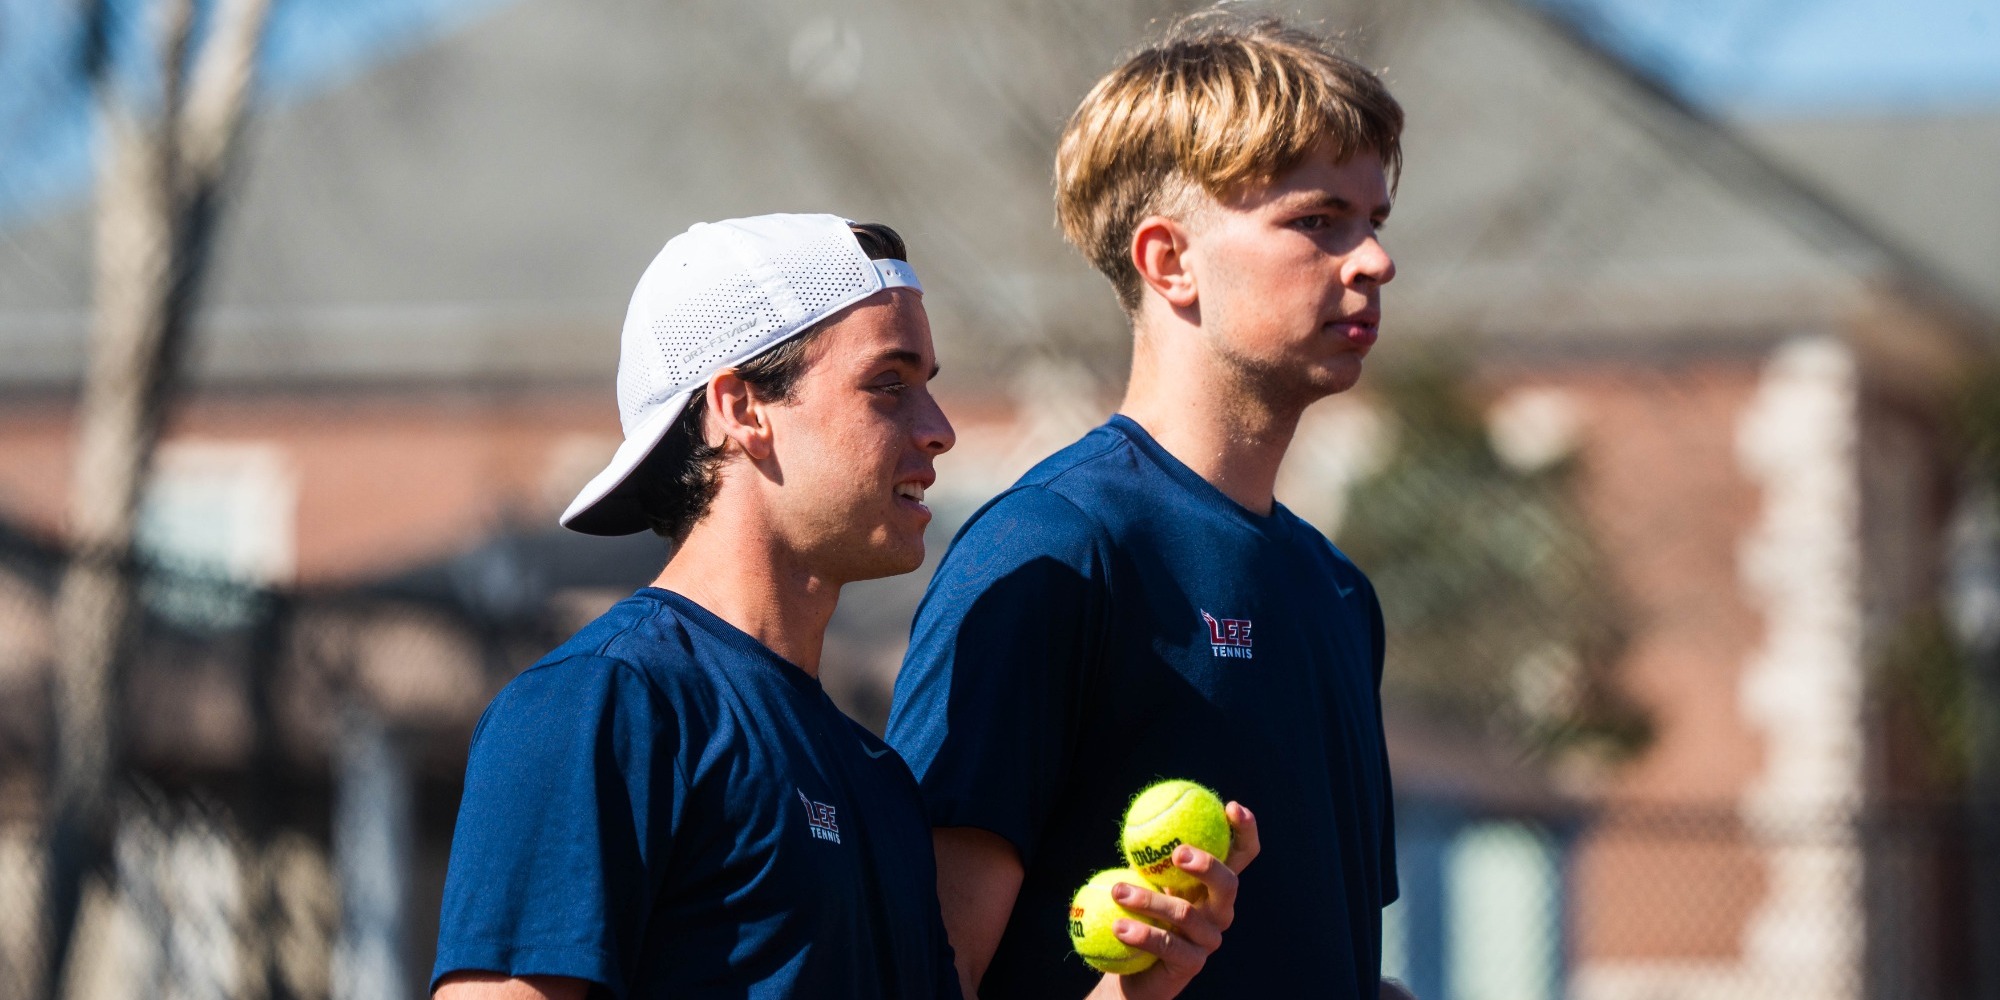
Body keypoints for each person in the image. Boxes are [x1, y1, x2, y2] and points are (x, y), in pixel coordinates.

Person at [430, 213, 1256, 1000]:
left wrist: (1137, 986)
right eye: (888, 385)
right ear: (741, 409)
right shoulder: (598, 705)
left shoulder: (879, 779)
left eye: (927, 386)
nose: (938, 430)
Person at [885, 15, 1407, 1000]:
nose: (1373, 260)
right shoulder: (1049, 552)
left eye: (1374, 220)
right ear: (1168, 261)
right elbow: (924, 976)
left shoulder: (1338, 591)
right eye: (1318, 220)